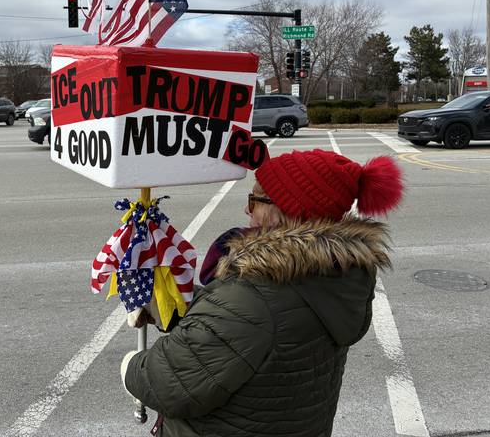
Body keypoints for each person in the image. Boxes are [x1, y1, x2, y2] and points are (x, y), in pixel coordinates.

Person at [121, 149, 404, 437]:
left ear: (286, 212)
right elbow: (251, 330)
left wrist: (130, 364)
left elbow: (168, 382)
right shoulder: (335, 274)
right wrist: (177, 305)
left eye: (254, 199)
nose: (247, 209)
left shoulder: (253, 297)